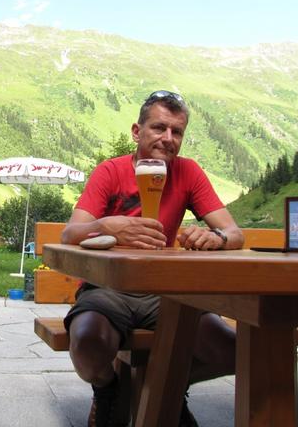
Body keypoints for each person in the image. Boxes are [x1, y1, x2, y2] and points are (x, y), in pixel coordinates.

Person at [61, 90, 244, 427]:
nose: (168, 138)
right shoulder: (110, 171)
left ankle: (164, 389)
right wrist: (105, 226)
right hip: (108, 287)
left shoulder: (188, 172)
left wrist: (215, 237)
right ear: (137, 131)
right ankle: (108, 388)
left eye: (177, 132)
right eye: (159, 128)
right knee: (87, 345)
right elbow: (69, 234)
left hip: (167, 291)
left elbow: (235, 233)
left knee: (233, 352)